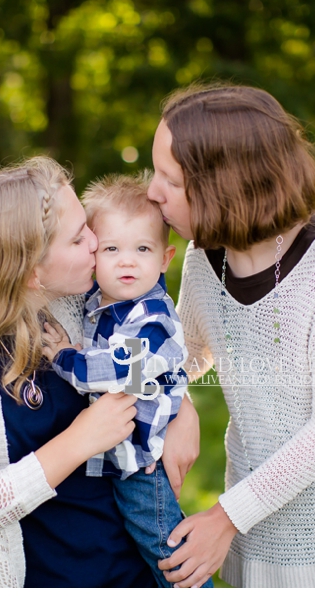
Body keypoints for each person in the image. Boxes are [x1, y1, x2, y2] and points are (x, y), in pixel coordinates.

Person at [145, 84, 315, 588]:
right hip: (259, 512)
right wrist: (181, 403)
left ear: (224, 185)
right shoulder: (206, 255)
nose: (152, 192)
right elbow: (181, 357)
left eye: (170, 179)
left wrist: (224, 518)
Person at [0, 157, 201, 588]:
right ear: (31, 272)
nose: (96, 242)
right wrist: (77, 442)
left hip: (140, 567)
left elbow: (152, 346)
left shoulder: (78, 301)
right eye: (78, 238)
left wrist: (184, 407)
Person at [40, 173, 211, 588]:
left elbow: (117, 375)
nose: (127, 261)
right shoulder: (100, 301)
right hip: (115, 455)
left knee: (163, 545)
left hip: (141, 462)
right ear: (93, 252)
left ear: (165, 258)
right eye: (112, 248)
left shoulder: (150, 319)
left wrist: (65, 356)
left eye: (142, 249)